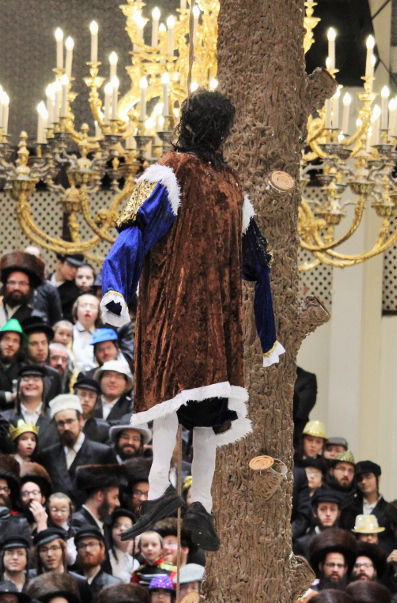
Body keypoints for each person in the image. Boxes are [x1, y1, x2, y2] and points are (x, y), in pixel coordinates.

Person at [100, 92, 282, 553]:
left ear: (187, 121)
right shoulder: (232, 185)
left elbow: (134, 229)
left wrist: (115, 286)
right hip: (219, 323)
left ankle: (159, 490)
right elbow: (258, 261)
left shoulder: (169, 170)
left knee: (167, 398)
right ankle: (201, 500)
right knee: (205, 415)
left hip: (175, 311)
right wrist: (268, 334)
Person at [36, 393, 116, 499]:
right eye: (61, 423)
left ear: (81, 421)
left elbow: (112, 491)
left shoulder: (103, 453)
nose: (66, 427)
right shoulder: (48, 455)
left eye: (70, 421)